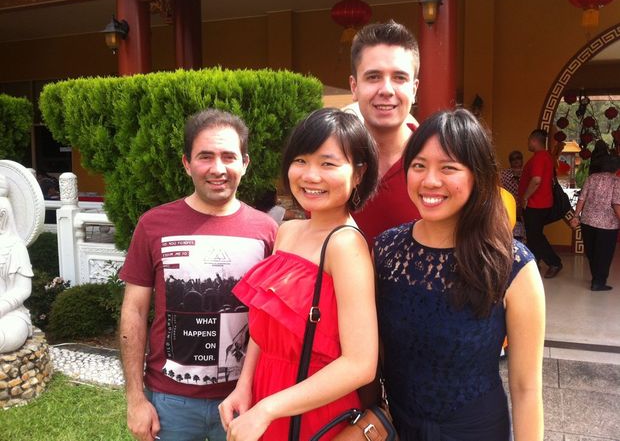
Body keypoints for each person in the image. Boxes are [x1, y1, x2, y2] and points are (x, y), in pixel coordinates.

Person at [374, 109, 545, 441]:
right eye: (419, 166)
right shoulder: (385, 251)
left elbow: (525, 388)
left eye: (448, 167)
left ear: (477, 175)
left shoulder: (512, 265)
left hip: (476, 431)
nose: (430, 181)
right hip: (396, 427)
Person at [219, 108, 379, 441]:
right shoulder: (287, 231)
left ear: (359, 173)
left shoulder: (345, 245)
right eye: (301, 160)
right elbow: (266, 326)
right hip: (266, 395)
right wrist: (244, 388)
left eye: (328, 163)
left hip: (311, 408)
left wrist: (268, 409)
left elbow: (361, 363)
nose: (310, 175)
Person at [118, 109, 278, 441]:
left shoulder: (267, 231)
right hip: (169, 403)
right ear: (186, 163)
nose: (218, 168)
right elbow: (133, 311)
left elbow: (272, 320)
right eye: (205, 157)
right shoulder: (153, 225)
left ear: (245, 163)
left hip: (242, 399)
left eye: (228, 156)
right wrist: (135, 398)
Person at [348, 20, 421, 243]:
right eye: (373, 77)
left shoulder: (443, 160)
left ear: (414, 89)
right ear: (354, 87)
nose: (387, 90)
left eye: (399, 77)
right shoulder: (335, 160)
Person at [571, 156, 620, 291]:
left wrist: (576, 216)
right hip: (607, 225)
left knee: (592, 252)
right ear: (617, 168)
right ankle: (599, 282)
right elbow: (617, 204)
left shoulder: (591, 178)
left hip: (587, 221)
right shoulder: (616, 181)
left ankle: (596, 278)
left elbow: (581, 199)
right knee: (604, 254)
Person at [518, 129, 563, 279]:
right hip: (542, 203)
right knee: (533, 235)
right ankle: (533, 263)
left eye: (529, 140)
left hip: (536, 204)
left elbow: (536, 180)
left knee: (535, 236)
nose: (528, 143)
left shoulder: (539, 157)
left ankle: (554, 262)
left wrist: (525, 197)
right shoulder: (547, 157)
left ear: (534, 141)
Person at [0, 174, 34, 353]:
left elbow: (23, 289)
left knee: (7, 336)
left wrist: (2, 306)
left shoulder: (15, 247)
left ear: (3, 214)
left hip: (10, 314)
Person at [500, 150, 526, 240]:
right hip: (509, 208)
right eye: (513, 159)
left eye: (518, 158)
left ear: (522, 160)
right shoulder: (503, 175)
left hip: (526, 208)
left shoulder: (527, 173)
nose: (516, 160)